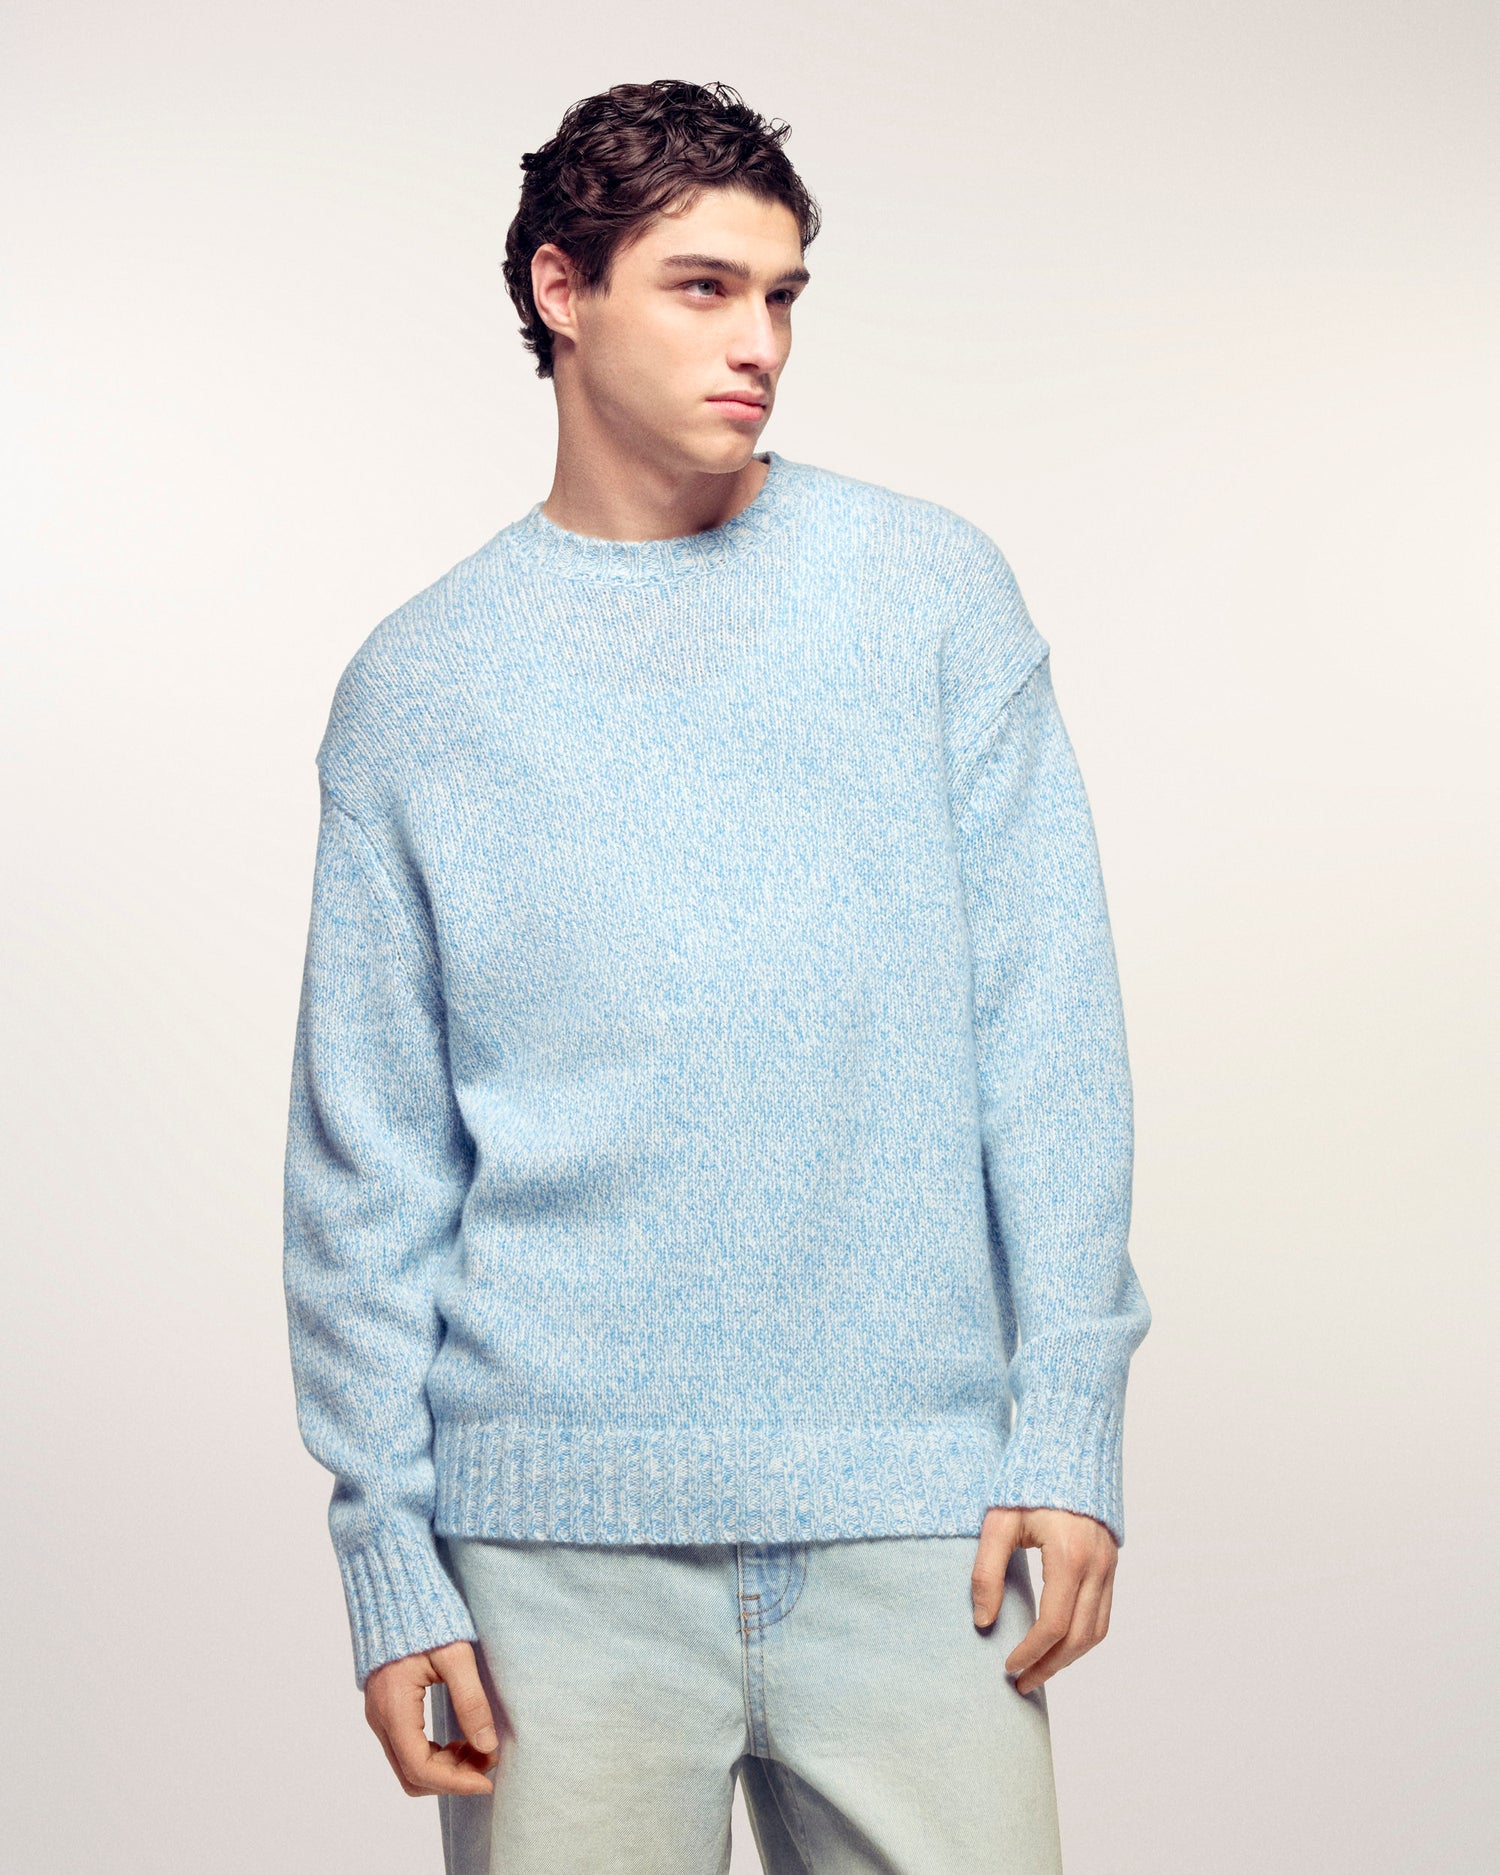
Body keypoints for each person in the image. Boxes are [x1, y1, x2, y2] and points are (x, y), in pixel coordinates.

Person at [282, 77, 1152, 1874]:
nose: (760, 341)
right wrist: (386, 1552)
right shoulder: (421, 688)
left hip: (922, 1524)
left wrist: (1068, 1426)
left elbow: (1048, 1041)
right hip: (548, 1561)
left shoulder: (929, 599)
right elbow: (369, 1166)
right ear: (561, 288)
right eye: (702, 287)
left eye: (782, 295)